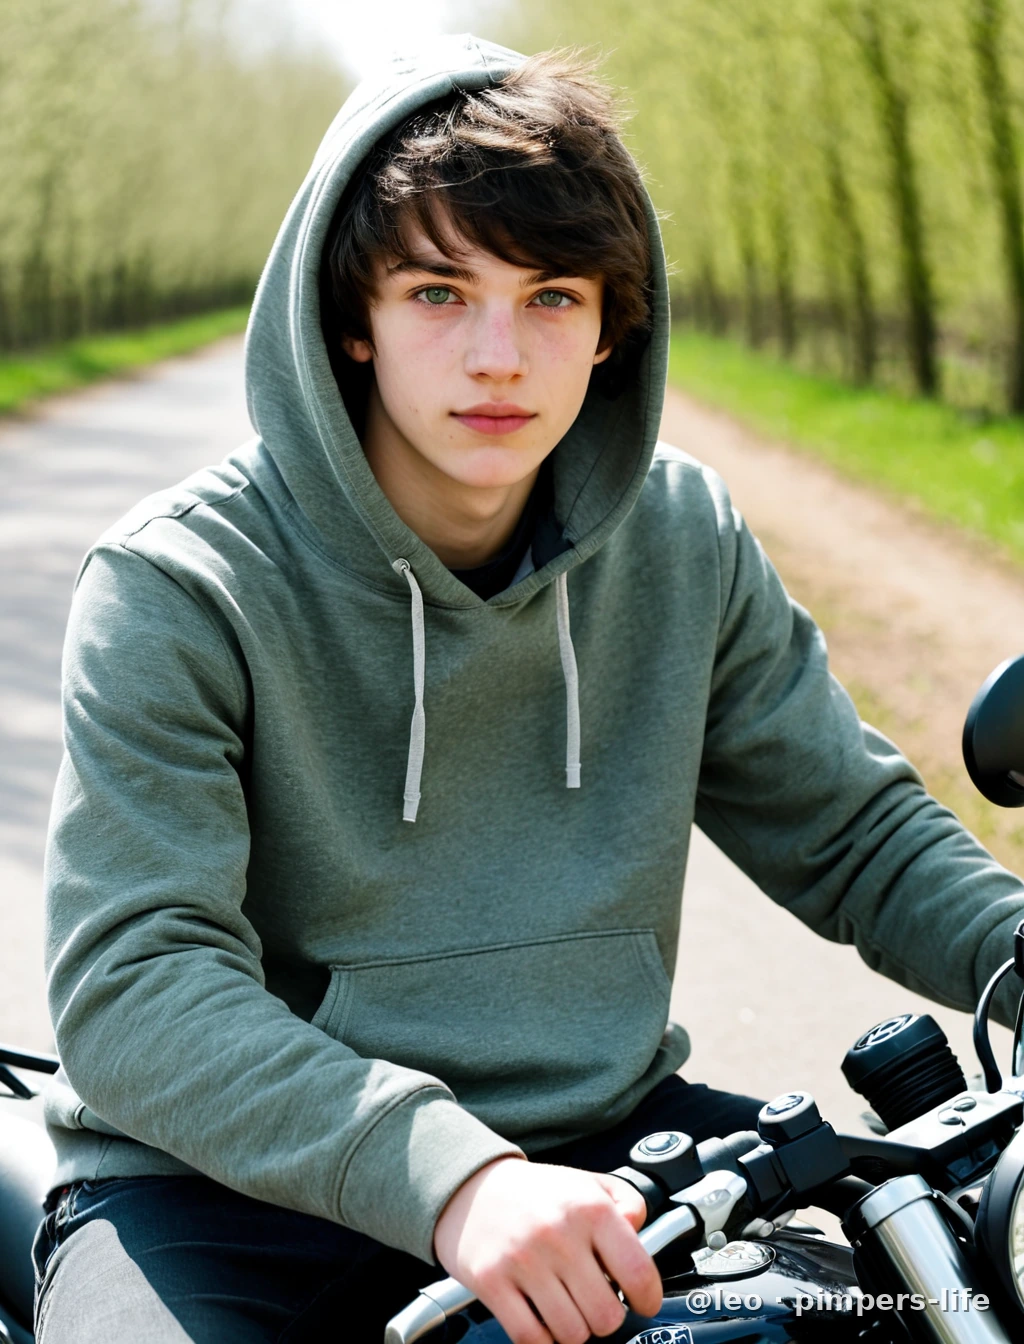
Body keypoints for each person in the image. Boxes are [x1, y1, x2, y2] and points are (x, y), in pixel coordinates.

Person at [34, 33, 1024, 1344]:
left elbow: (853, 835)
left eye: (551, 295)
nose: (497, 355)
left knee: (933, 1301)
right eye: (440, 293)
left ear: (613, 327)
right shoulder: (182, 581)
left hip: (608, 1147)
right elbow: (136, 981)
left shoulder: (682, 538)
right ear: (353, 318)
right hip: (223, 1190)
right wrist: (459, 1180)